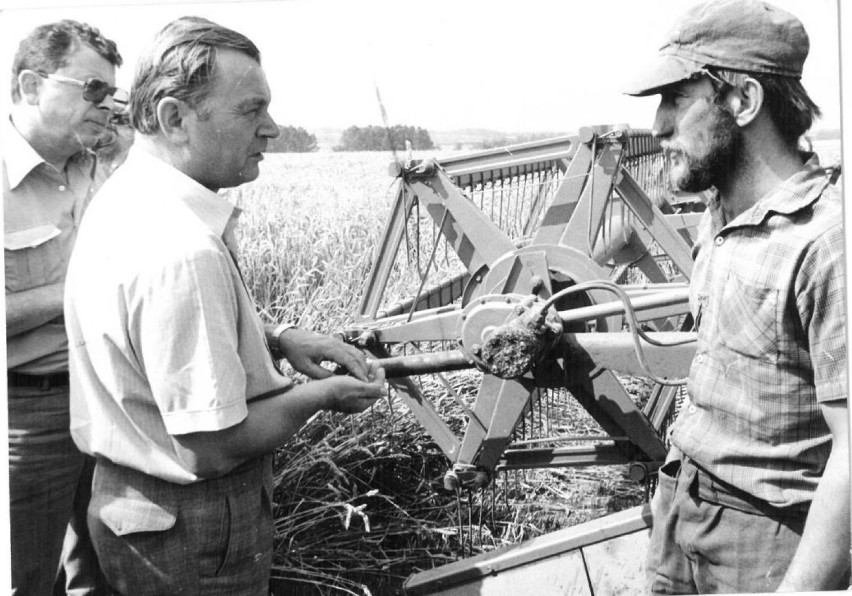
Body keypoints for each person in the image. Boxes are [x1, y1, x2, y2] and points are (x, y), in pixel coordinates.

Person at [63, 16, 386, 594]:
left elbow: (154, 331)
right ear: (174, 118)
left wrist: (280, 337)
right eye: (250, 110)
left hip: (137, 513)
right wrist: (325, 395)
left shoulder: (127, 200)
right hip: (194, 530)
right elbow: (210, 447)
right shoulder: (182, 249)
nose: (273, 128)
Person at [624, 0, 848, 593]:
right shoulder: (721, 216)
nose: (658, 126)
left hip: (764, 539)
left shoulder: (830, 244)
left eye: (676, 98)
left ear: (744, 101)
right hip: (681, 502)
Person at [3, 19, 125, 595]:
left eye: (112, 93)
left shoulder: (100, 166)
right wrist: (77, 287)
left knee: (100, 575)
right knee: (26, 579)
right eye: (92, 89)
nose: (106, 106)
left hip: (105, 397)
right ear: (30, 86)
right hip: (25, 412)